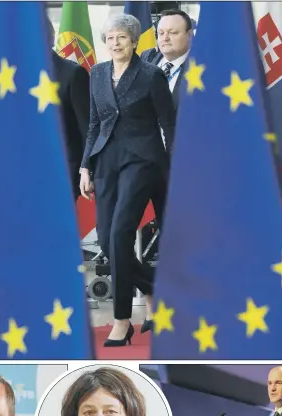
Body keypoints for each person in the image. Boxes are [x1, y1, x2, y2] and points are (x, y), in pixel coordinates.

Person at [79, 14, 175, 345]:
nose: (115, 43)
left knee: (121, 233)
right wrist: (84, 167)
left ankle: (121, 320)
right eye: (110, 38)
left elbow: (168, 124)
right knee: (107, 242)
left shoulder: (151, 76)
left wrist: (173, 168)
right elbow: (94, 123)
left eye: (121, 37)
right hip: (106, 160)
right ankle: (156, 286)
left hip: (142, 160)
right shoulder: (97, 73)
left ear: (134, 41)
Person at [48, 18, 90, 200]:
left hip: (62, 172)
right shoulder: (13, 75)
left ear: (50, 38)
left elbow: (87, 127)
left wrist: (87, 169)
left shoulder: (73, 74)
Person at [141, 9, 194, 113]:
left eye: (172, 33)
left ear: (190, 35)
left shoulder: (201, 65)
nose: (165, 38)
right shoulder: (147, 56)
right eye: (161, 33)